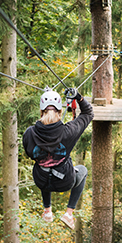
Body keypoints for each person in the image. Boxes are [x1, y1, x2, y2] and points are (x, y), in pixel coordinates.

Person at [22, 87, 93, 230]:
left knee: (44, 165)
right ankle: (68, 213)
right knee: (83, 170)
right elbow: (88, 113)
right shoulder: (69, 131)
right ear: (60, 111)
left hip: (41, 181)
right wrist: (78, 97)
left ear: (41, 111)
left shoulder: (29, 133)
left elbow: (30, 154)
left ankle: (47, 211)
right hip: (65, 181)